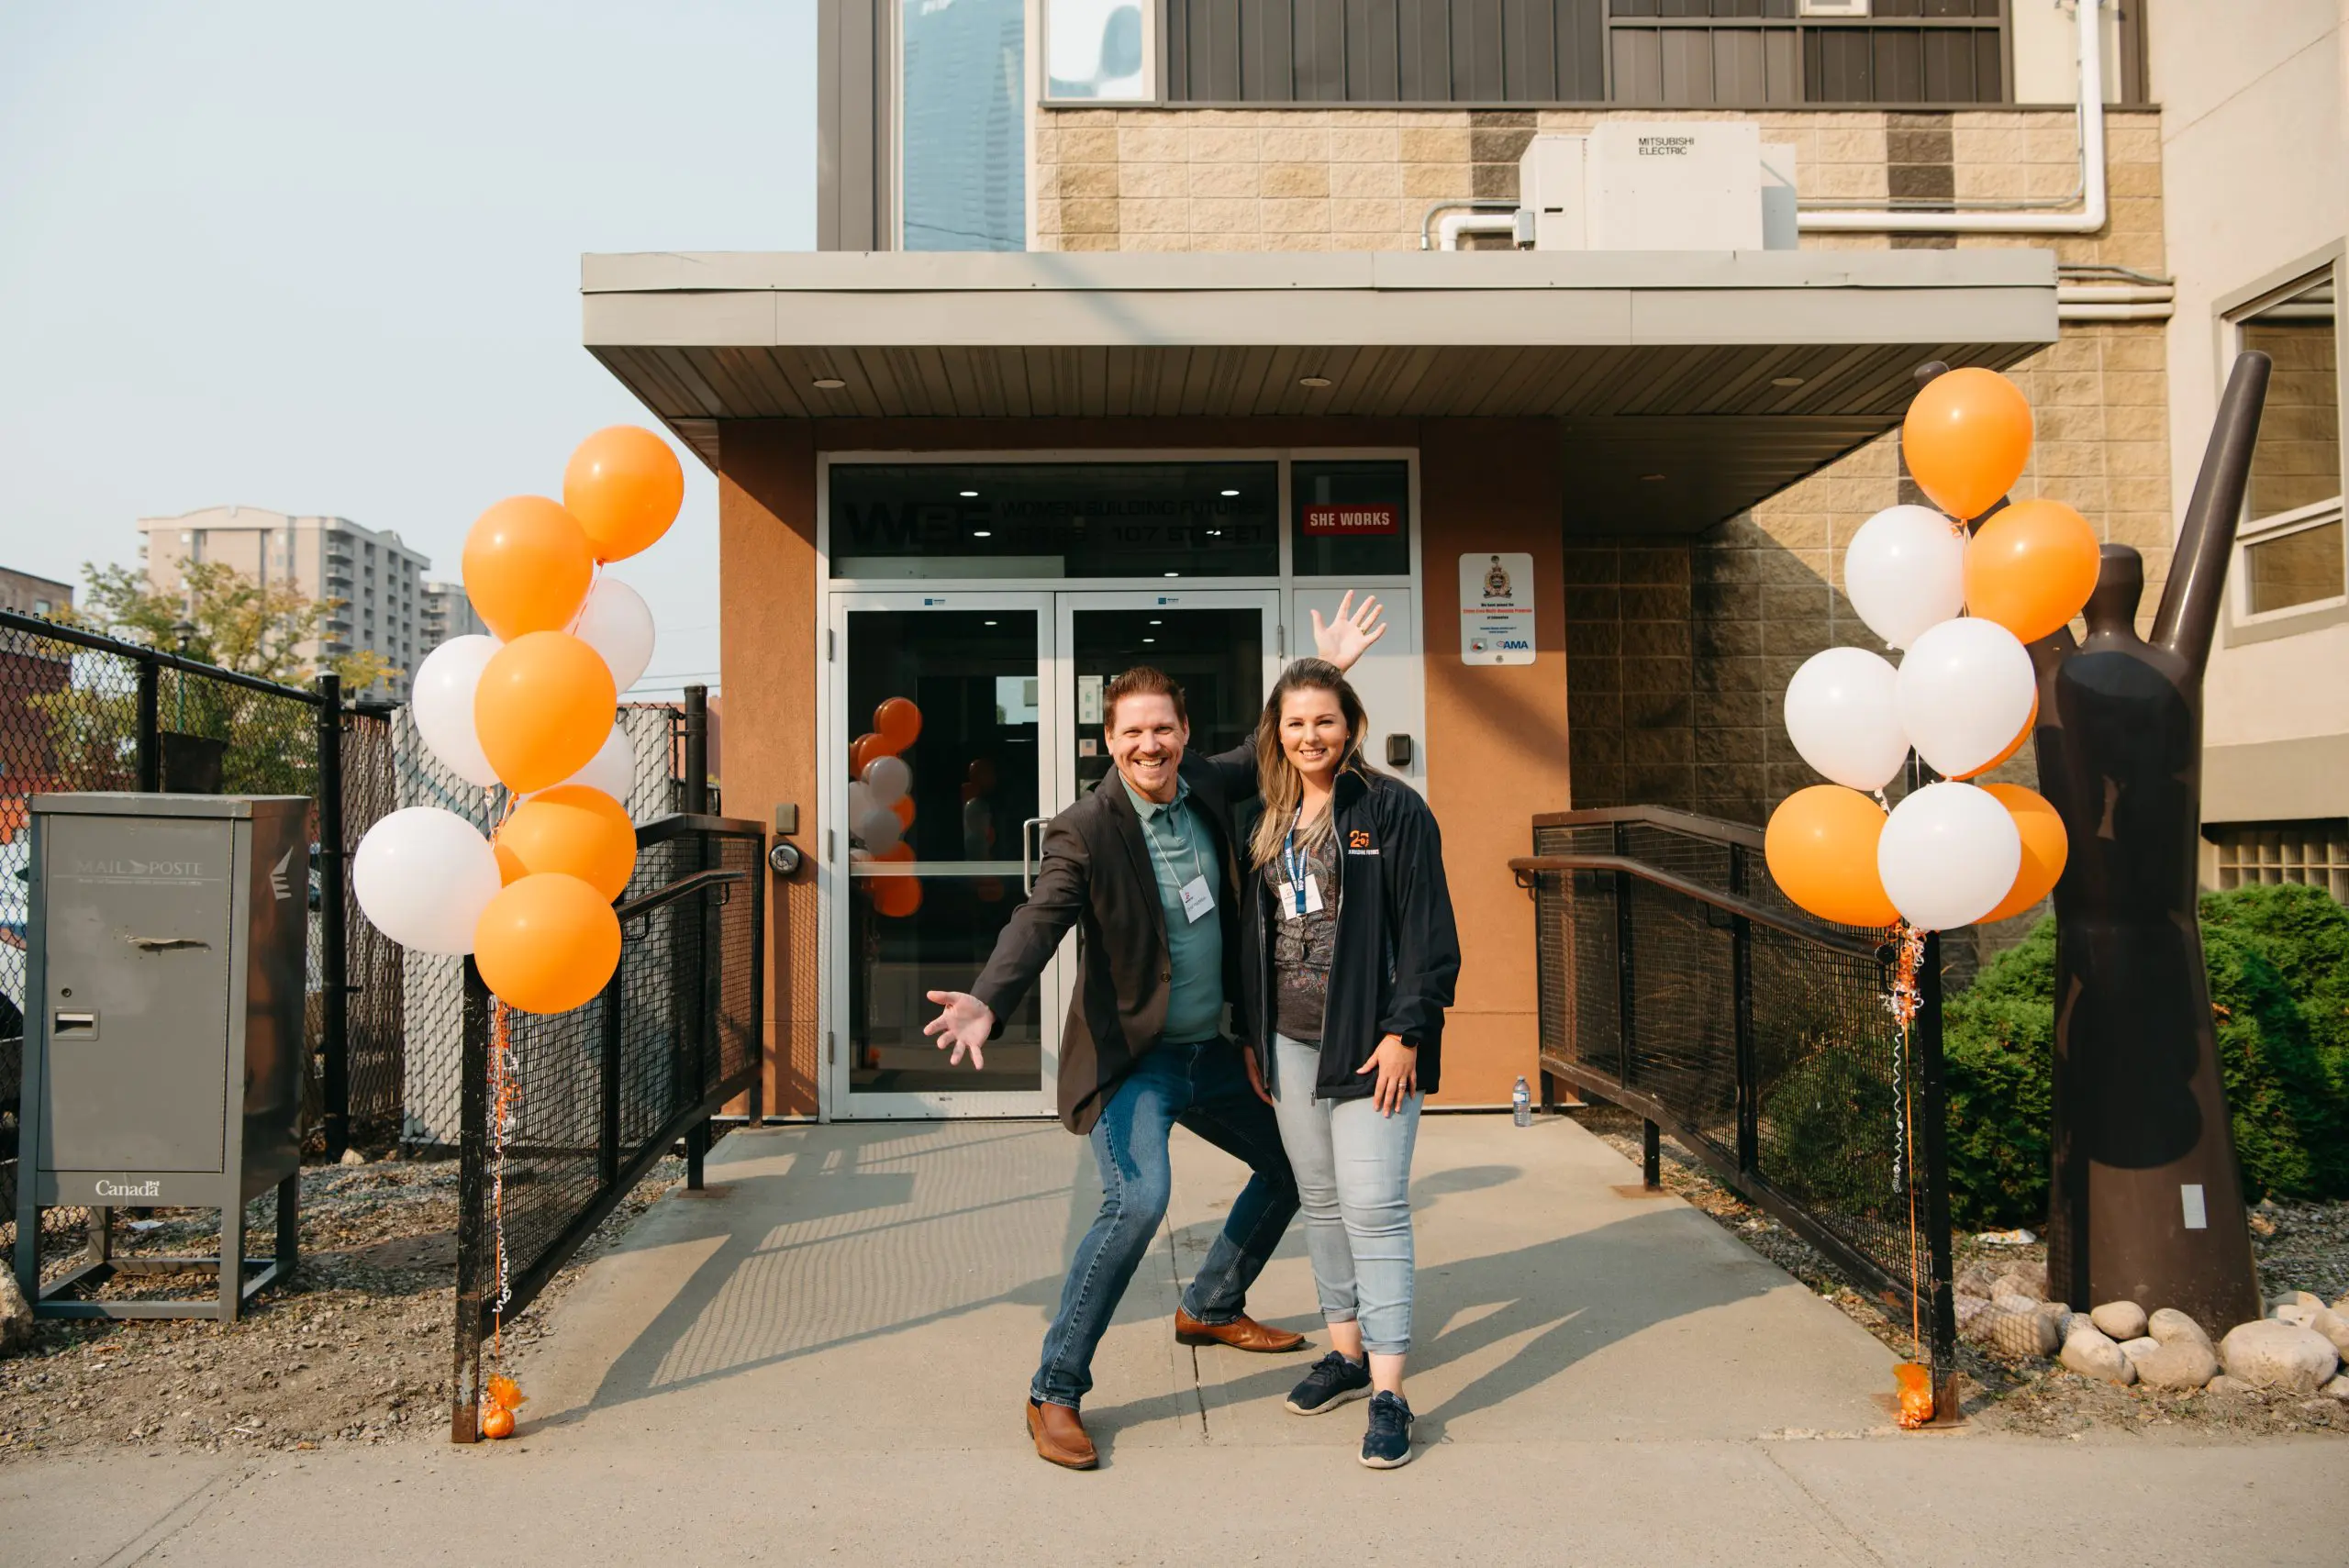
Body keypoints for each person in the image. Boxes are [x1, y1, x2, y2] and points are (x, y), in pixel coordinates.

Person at [924, 597, 1388, 1472]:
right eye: (1133, 732)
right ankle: (1054, 1388)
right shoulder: (1087, 828)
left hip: (1214, 1051)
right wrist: (990, 997)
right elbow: (1039, 918)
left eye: (1164, 730)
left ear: (1183, 733)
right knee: (1135, 1202)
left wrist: (1330, 670)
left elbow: (1282, 737)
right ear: (1110, 741)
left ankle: (1211, 1302)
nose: (1150, 746)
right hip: (1132, 1061)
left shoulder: (1208, 786)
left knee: (1295, 1163)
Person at [1241, 658, 1459, 1470]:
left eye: (1324, 720)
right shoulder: (1270, 816)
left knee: (1374, 1208)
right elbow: (1255, 940)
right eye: (1295, 723)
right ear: (1277, 732)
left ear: (1351, 723)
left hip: (1372, 1043)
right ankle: (1346, 1351)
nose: (1310, 736)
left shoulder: (1392, 809)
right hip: (1291, 1044)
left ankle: (1391, 1392)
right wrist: (1254, 1036)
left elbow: (1430, 934)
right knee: (1322, 1201)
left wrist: (1408, 1032)